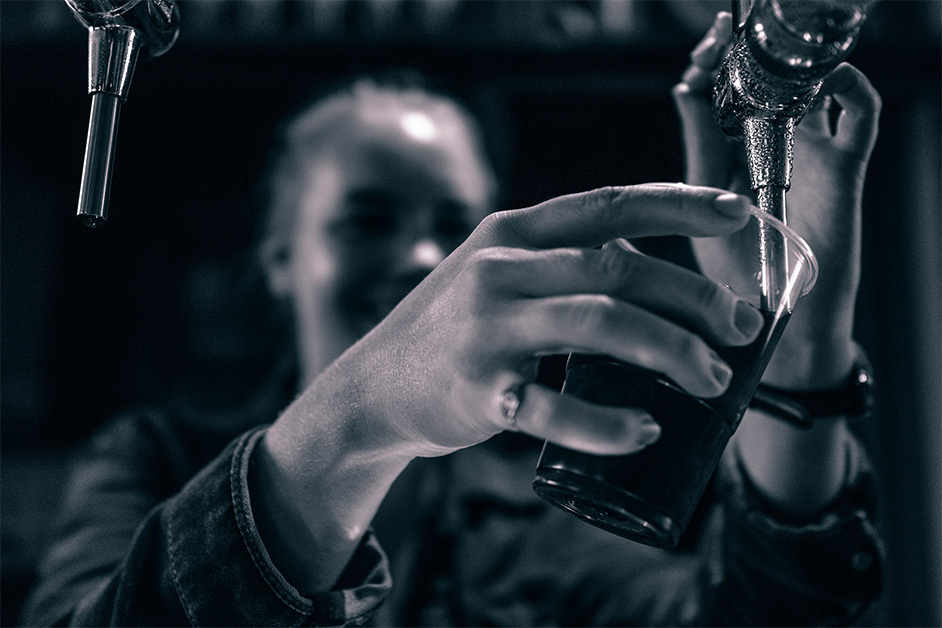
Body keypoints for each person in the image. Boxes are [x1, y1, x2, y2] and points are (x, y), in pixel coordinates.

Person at [22, 12, 884, 626]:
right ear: (280, 257)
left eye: (453, 226)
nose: (423, 261)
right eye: (366, 220)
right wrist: (359, 420)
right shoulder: (150, 461)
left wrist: (795, 347)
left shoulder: (533, 539)